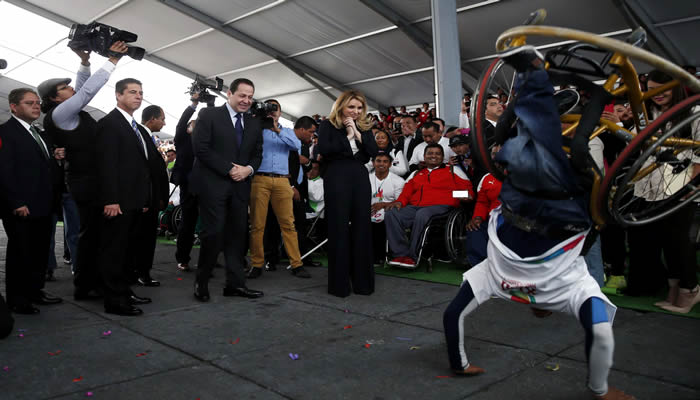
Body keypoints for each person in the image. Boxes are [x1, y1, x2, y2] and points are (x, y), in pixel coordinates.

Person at [442, 46, 633, 400]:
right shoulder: (566, 287)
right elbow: (452, 315)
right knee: (533, 146)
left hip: (542, 206)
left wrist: (459, 363)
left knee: (539, 146)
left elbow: (453, 315)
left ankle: (572, 86)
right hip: (544, 207)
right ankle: (544, 82)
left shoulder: (563, 287)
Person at [39, 41, 128, 301]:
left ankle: (89, 283)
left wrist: (85, 62)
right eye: (64, 88)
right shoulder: (60, 114)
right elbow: (86, 92)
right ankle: (88, 284)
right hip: (86, 182)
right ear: (55, 98)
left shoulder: (67, 111)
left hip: (88, 179)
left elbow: (80, 89)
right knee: (92, 235)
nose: (71, 89)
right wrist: (112, 60)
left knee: (93, 234)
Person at [627, 69, 700, 313]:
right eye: (651, 90)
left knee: (680, 242)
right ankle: (674, 290)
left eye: (662, 89)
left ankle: (690, 290)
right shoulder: (647, 114)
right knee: (667, 242)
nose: (656, 94)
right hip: (649, 187)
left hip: (680, 187)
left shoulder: (693, 112)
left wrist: (691, 187)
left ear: (675, 87)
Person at [95, 78, 165, 316]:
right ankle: (114, 301)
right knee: (114, 252)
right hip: (118, 201)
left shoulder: (133, 126)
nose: (138, 96)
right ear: (118, 95)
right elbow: (106, 165)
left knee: (126, 252)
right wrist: (110, 199)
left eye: (141, 92)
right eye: (132, 92)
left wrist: (144, 200)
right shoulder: (109, 124)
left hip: (134, 200)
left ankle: (124, 292)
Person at [190, 78, 264, 302]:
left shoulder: (254, 123)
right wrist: (230, 169)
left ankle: (235, 284)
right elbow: (201, 148)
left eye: (250, 97)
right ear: (229, 94)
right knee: (213, 234)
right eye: (242, 95)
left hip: (240, 187)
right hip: (213, 185)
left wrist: (248, 170)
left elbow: (257, 154)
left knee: (237, 236)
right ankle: (201, 282)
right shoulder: (209, 115)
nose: (246, 101)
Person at [0, 88, 63, 315]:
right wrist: (16, 202)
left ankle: (35, 291)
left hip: (43, 203)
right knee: (21, 253)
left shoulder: (38, 132)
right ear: (14, 107)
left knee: (39, 251)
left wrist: (55, 157)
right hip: (22, 206)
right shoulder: (6, 133)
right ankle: (18, 299)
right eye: (29, 103)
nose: (36, 106)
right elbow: (4, 171)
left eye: (37, 102)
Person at [317, 89, 378, 297]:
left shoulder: (365, 126)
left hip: (359, 177)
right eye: (351, 106)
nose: (355, 111)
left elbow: (372, 152)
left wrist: (357, 133)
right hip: (336, 177)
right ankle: (339, 285)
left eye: (359, 107)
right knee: (338, 227)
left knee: (362, 227)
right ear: (341, 106)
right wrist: (348, 136)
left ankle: (363, 284)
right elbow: (325, 150)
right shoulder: (327, 125)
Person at [247, 99, 310, 280]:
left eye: (275, 108)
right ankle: (257, 264)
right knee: (257, 225)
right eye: (269, 108)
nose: (272, 111)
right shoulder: (256, 129)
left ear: (280, 113)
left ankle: (297, 264)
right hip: (260, 178)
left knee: (288, 224)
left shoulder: (287, 131)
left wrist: (277, 129)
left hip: (283, 181)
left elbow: (296, 146)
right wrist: (259, 121)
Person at [385, 144, 472, 268]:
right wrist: (399, 202)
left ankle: (413, 256)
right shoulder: (416, 173)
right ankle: (400, 254)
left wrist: (455, 195)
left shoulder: (453, 170)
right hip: (416, 207)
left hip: (442, 207)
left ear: (443, 157)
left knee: (423, 214)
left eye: (437, 153)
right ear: (424, 156)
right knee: (392, 213)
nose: (433, 156)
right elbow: (406, 193)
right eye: (430, 153)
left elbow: (468, 192)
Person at [132, 104, 170, 287]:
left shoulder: (147, 136)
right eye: (162, 119)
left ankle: (140, 271)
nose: (164, 123)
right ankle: (140, 272)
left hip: (151, 197)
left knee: (145, 237)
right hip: (145, 198)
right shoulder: (139, 135)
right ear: (152, 119)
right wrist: (147, 198)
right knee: (143, 239)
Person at [172, 94, 201, 272]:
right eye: (193, 125)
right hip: (188, 186)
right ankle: (183, 258)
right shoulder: (182, 139)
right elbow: (181, 123)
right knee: (188, 223)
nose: (195, 127)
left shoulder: (207, 141)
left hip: (206, 185)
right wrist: (193, 104)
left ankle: (209, 259)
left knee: (210, 224)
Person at [369, 152, 405, 266]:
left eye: (385, 161)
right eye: (378, 161)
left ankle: (378, 257)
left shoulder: (398, 181)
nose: (381, 164)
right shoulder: (366, 178)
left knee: (380, 223)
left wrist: (383, 204)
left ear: (390, 164)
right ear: (373, 163)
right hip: (369, 209)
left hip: (388, 210)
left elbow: (400, 202)